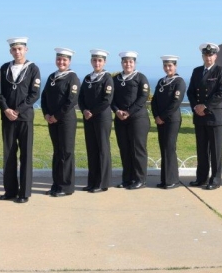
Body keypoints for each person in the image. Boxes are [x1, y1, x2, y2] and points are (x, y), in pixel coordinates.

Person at [0, 37, 41, 203]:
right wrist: (6, 109)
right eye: (14, 49)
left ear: (26, 50)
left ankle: (24, 192)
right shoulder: (4, 68)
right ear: (10, 51)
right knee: (8, 154)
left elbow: (34, 94)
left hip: (24, 118)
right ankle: (10, 190)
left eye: (20, 49)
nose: (17, 52)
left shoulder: (33, 69)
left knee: (25, 154)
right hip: (7, 117)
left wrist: (17, 110)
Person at [186, 43, 222, 190]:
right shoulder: (197, 71)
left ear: (215, 56)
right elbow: (190, 91)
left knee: (216, 151)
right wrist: (195, 107)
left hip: (214, 116)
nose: (208, 58)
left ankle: (215, 180)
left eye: (211, 55)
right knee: (202, 150)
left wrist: (205, 106)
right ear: (202, 56)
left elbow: (221, 93)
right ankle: (201, 178)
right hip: (199, 117)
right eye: (205, 55)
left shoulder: (220, 71)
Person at [41, 48, 80, 196]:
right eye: (59, 59)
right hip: (52, 120)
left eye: (64, 60)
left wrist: (57, 115)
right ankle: (56, 184)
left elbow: (71, 101)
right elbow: (44, 96)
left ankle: (66, 187)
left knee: (66, 153)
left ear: (69, 61)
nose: (61, 62)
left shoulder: (72, 78)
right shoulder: (52, 76)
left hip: (66, 120)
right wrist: (46, 114)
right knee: (57, 153)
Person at [112, 51, 151, 190]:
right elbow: (111, 99)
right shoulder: (116, 79)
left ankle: (140, 179)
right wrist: (117, 111)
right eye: (125, 61)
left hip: (137, 119)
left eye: (130, 62)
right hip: (120, 119)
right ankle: (127, 179)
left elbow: (143, 97)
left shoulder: (141, 78)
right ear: (122, 63)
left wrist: (129, 112)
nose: (128, 64)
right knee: (125, 149)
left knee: (137, 149)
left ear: (134, 63)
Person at [78, 49, 113, 193]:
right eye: (94, 60)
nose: (97, 63)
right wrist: (84, 110)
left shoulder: (107, 78)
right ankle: (92, 182)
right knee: (91, 149)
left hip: (101, 118)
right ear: (91, 61)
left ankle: (102, 183)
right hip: (88, 117)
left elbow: (107, 100)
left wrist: (92, 112)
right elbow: (81, 97)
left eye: (100, 60)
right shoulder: (87, 78)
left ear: (104, 62)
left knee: (102, 149)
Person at [151, 55, 186, 189]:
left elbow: (175, 103)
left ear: (175, 66)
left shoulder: (179, 82)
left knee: (170, 148)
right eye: (165, 65)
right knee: (163, 148)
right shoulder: (161, 81)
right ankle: (165, 179)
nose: (167, 68)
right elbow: (154, 100)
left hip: (172, 120)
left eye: (170, 65)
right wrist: (156, 116)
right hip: (160, 120)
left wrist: (162, 117)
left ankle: (173, 180)